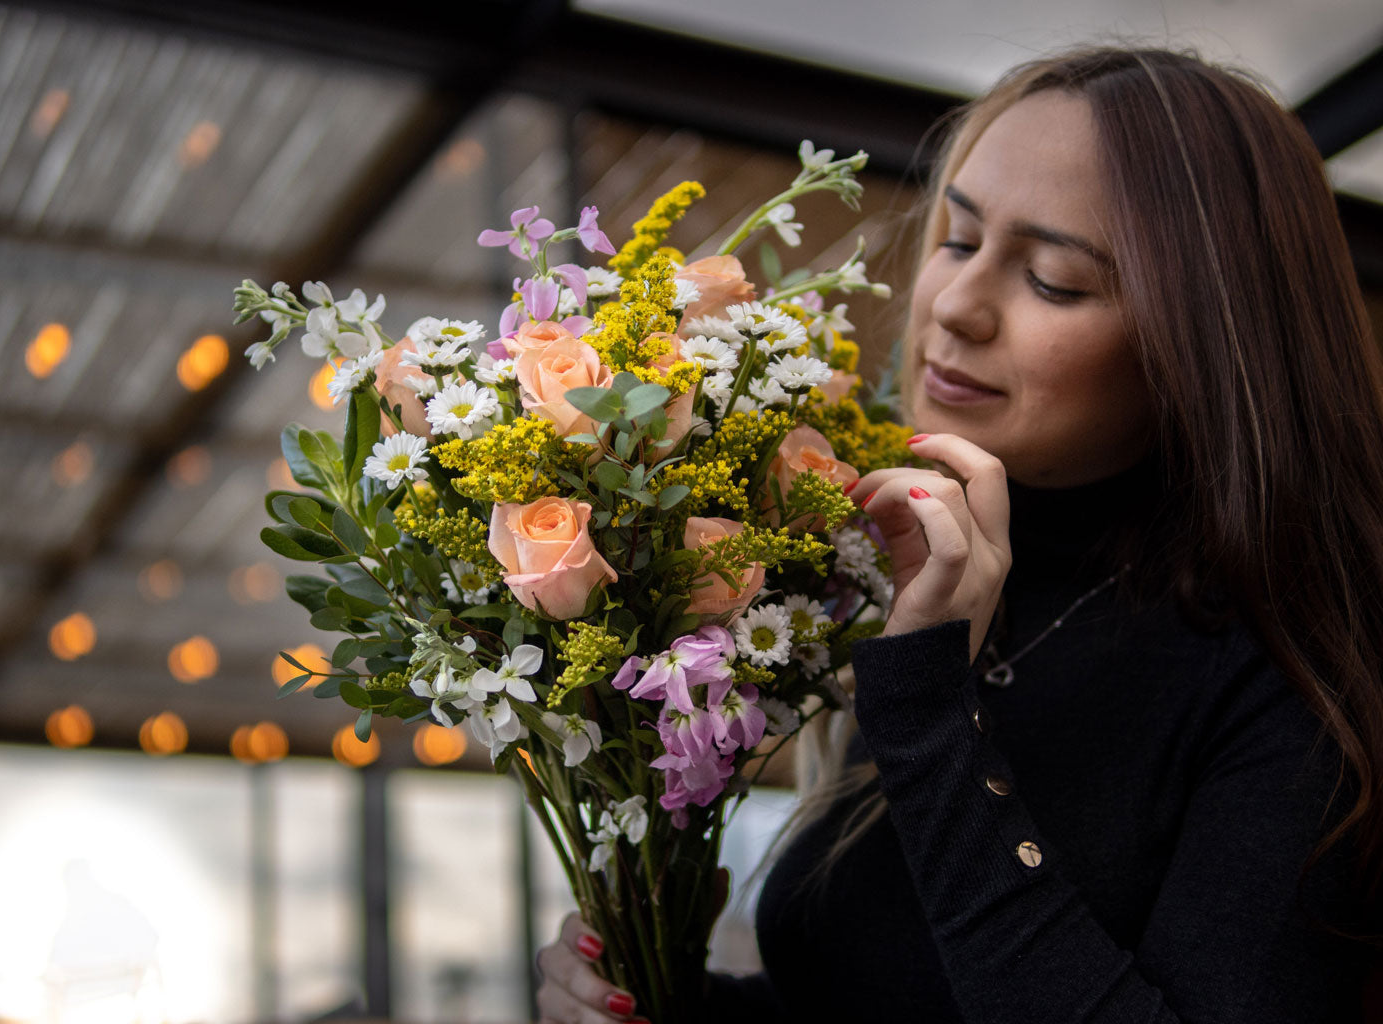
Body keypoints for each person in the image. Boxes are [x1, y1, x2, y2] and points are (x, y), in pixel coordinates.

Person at [534, 45, 1383, 1023]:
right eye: (958, 239)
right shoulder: (933, 567)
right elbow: (877, 992)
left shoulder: (1298, 676)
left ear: (1206, 339)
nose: (957, 307)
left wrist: (930, 709)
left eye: (1056, 279)